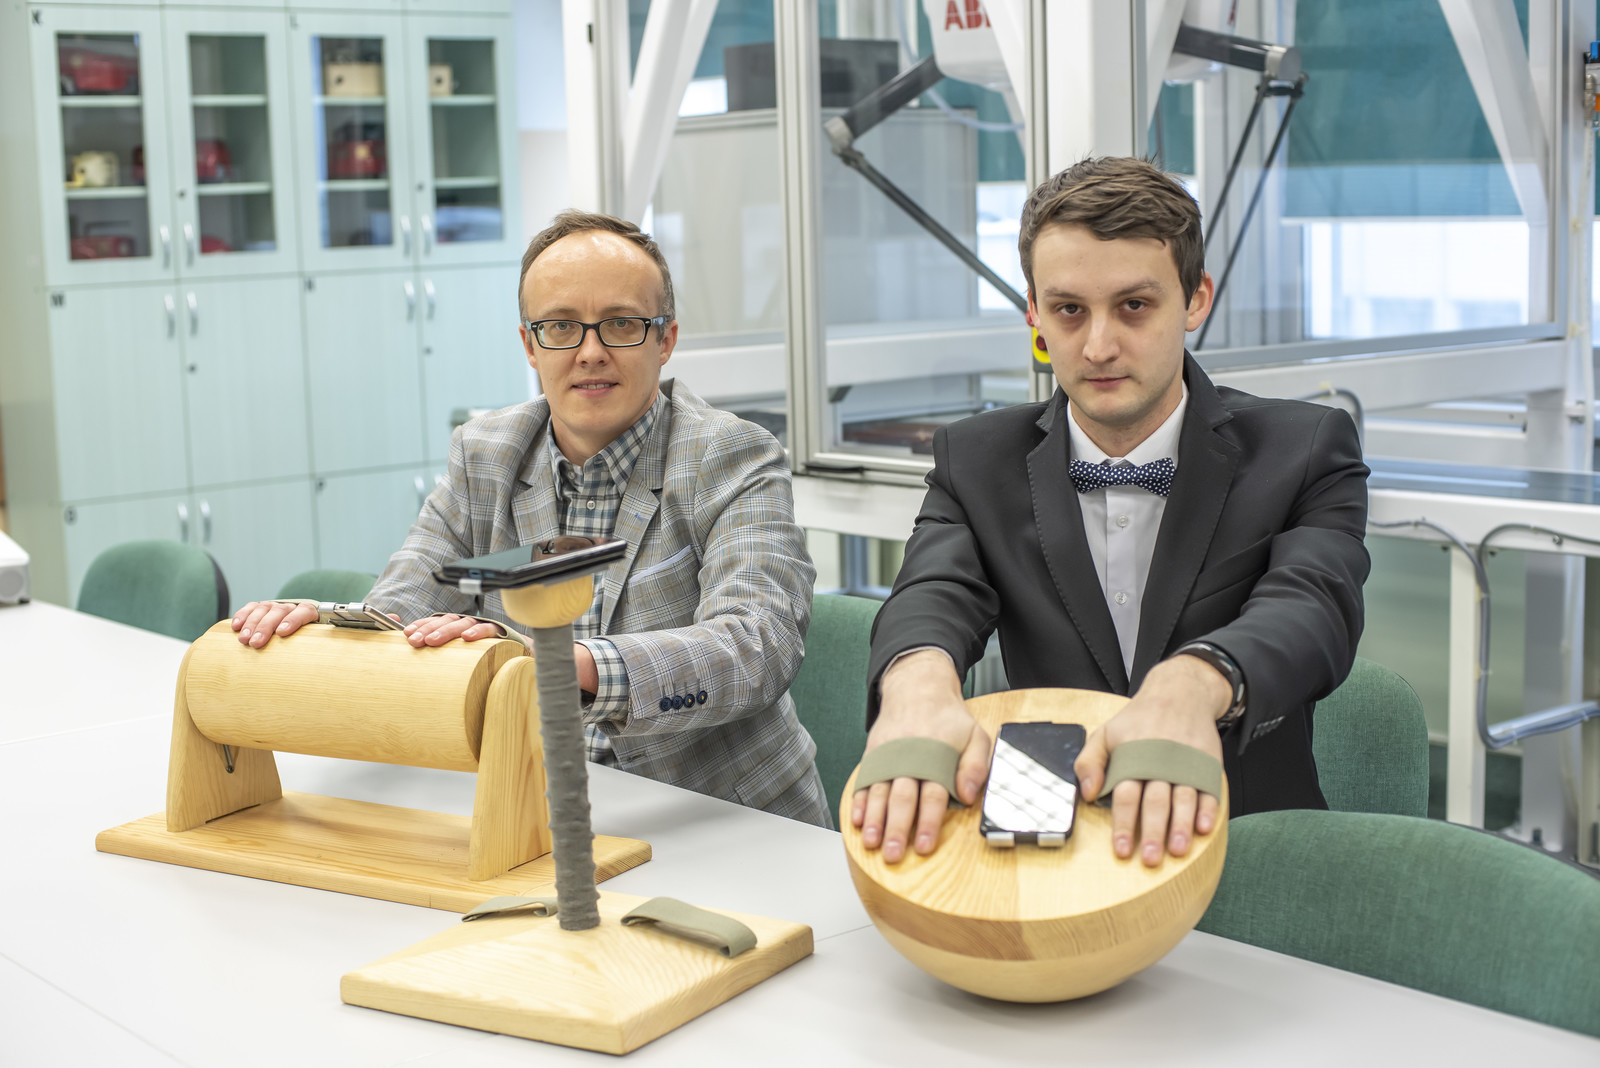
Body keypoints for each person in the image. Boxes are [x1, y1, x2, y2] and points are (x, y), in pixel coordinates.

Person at [231, 211, 830, 828]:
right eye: (561, 327)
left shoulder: (730, 455)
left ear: (665, 340)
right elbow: (409, 600)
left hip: (718, 819)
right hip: (535, 809)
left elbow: (756, 644)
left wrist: (571, 665)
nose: (590, 352)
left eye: (621, 324)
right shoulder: (486, 454)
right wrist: (333, 627)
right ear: (530, 346)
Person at [854, 156, 1369, 867]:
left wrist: (1196, 681)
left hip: (1247, 853)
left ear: (1195, 300)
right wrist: (916, 682)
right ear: (1034, 313)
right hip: (1043, 849)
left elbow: (1314, 606)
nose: (1098, 347)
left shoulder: (1305, 448)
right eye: (1069, 309)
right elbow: (931, 590)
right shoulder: (975, 459)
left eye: (1134, 306)